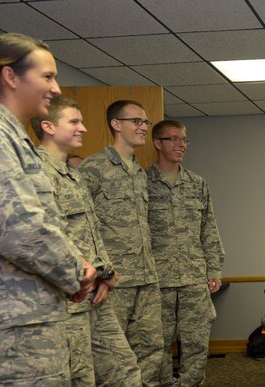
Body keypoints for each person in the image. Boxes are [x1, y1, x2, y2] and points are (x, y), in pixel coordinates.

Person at [0, 32, 95, 385]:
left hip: (29, 310)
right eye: (47, 76)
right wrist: (74, 271)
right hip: (9, 316)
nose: (56, 87)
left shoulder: (12, 136)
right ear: (10, 76)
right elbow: (18, 228)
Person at [30, 95, 142, 385]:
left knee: (124, 368)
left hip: (97, 293)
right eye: (74, 122)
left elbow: (92, 232)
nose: (84, 129)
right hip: (68, 297)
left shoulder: (74, 175)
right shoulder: (36, 173)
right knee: (80, 377)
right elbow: (48, 235)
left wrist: (107, 273)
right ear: (48, 126)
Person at [79, 100, 166, 385]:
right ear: (116, 125)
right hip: (114, 281)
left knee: (152, 351)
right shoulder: (93, 168)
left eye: (145, 122)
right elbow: (81, 226)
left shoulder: (140, 173)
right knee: (113, 360)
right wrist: (99, 271)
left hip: (146, 277)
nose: (143, 127)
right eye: (136, 122)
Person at [146, 119, 226, 385]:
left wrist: (214, 268)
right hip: (157, 279)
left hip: (194, 277)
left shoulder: (197, 184)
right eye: (174, 139)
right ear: (158, 143)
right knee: (156, 343)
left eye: (184, 140)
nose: (181, 145)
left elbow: (209, 228)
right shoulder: (142, 183)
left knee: (197, 341)